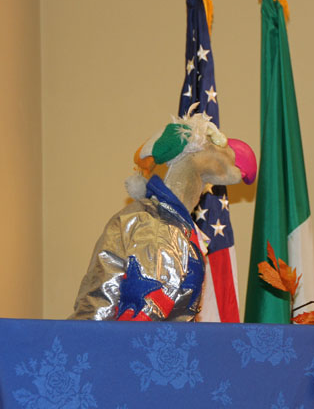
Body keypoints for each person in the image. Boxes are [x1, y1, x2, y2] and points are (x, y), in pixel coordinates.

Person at [71, 113, 256, 321]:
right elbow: (149, 312)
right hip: (123, 340)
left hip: (133, 337)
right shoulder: (155, 225)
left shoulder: (175, 224)